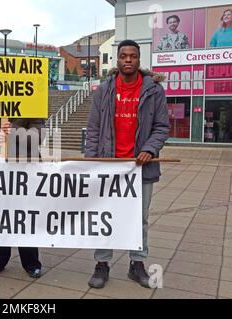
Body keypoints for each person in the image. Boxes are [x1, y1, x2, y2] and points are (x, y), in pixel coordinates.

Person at [85, 40, 170, 289]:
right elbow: (93, 128)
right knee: (105, 215)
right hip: (109, 165)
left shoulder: (154, 91)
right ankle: (102, 263)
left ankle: (137, 263)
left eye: (133, 56)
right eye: (124, 56)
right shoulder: (105, 89)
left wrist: (149, 149)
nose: (128, 60)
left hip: (140, 168)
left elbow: (162, 127)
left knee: (139, 218)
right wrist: (91, 160)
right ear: (117, 60)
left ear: (139, 59)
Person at [0, 118, 44, 278]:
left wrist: (14, 131)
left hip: (25, 168)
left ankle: (31, 262)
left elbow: (38, 136)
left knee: (25, 216)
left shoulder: (31, 103)